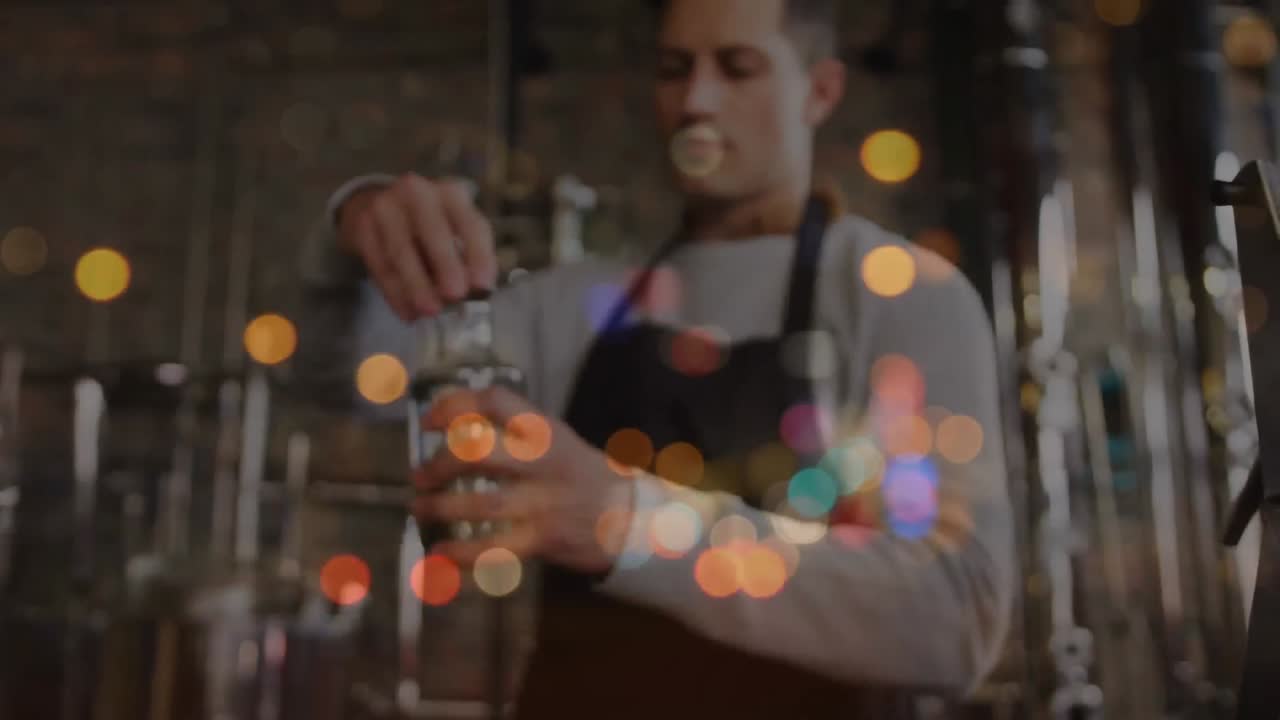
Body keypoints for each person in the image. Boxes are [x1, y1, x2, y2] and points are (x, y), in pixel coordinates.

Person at [301, 0, 1015, 717]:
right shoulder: (576, 305)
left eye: (737, 68)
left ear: (821, 91)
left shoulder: (898, 295)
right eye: (675, 70)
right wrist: (355, 225)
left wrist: (629, 523)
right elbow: (343, 375)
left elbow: (955, 617)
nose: (695, 101)